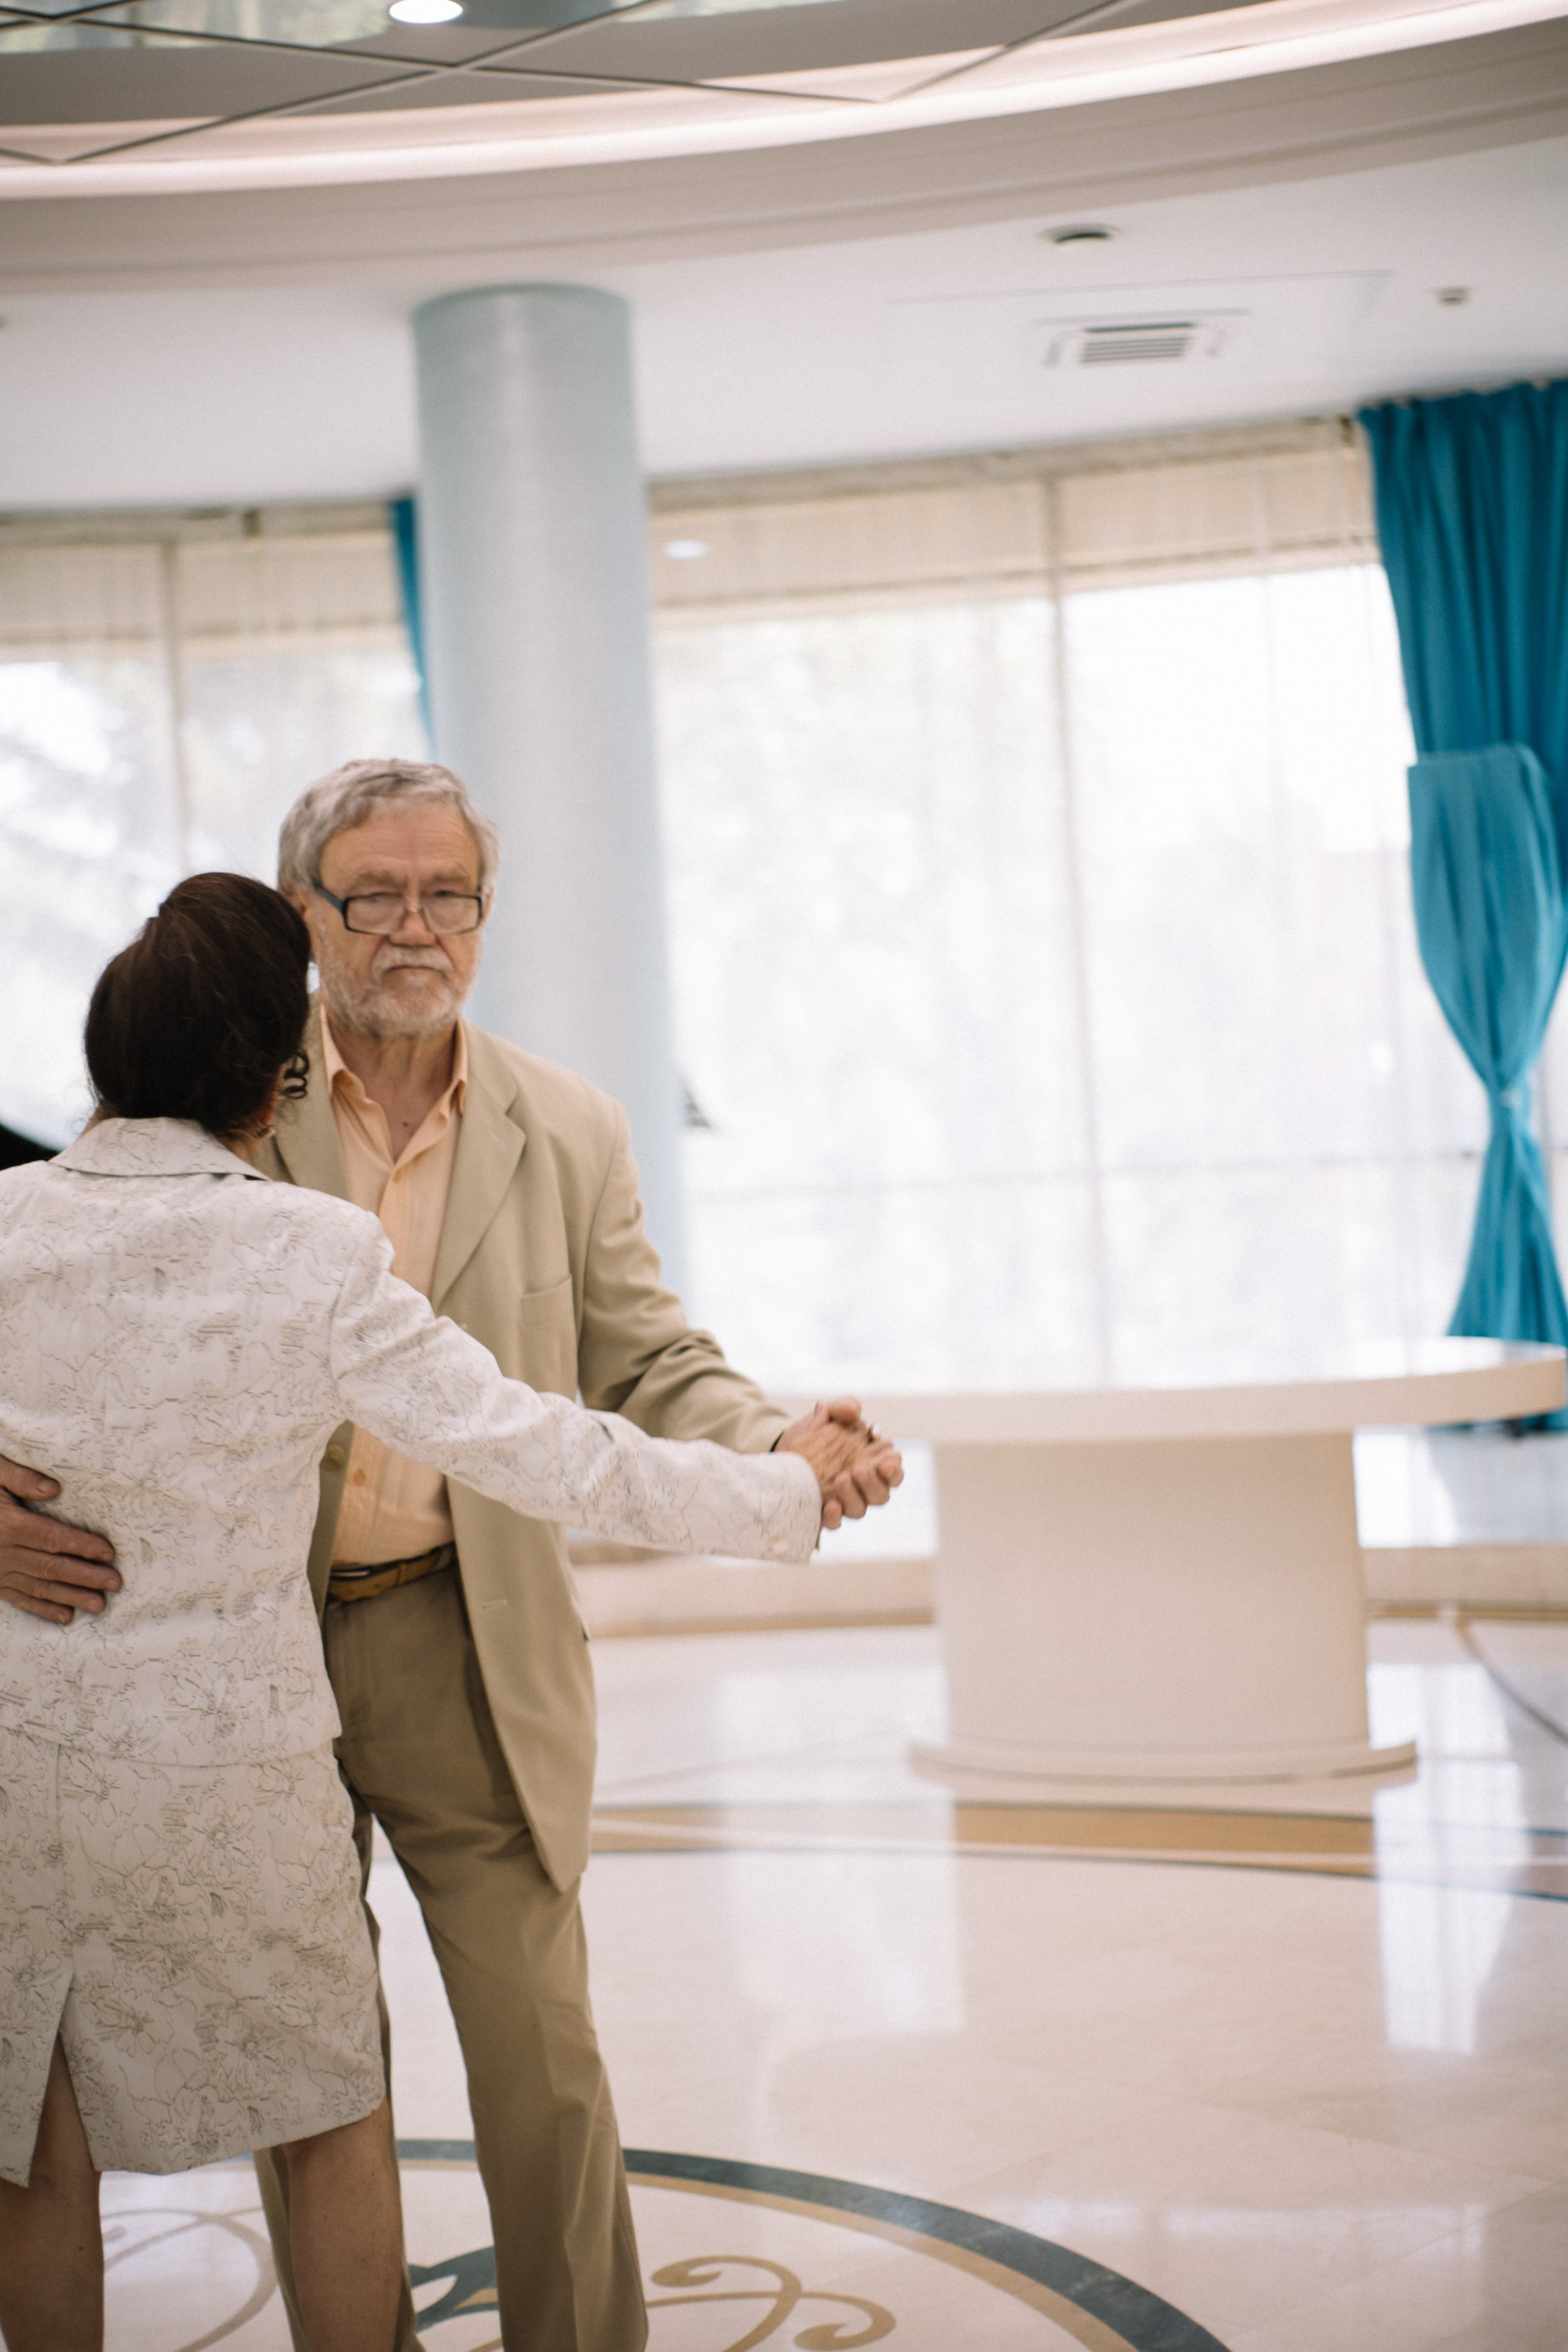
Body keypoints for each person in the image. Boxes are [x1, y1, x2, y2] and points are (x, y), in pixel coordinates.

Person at [0, 758, 901, 2352]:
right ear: (306, 918)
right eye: (376, 894)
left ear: (484, 913)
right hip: (237, 1664)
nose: (416, 925)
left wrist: (772, 1443)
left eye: (450, 892)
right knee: (309, 2075)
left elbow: (643, 1354)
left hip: (460, 1638)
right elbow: (71, 1334)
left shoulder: (568, 1127)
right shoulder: (200, 1098)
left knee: (539, 2048)